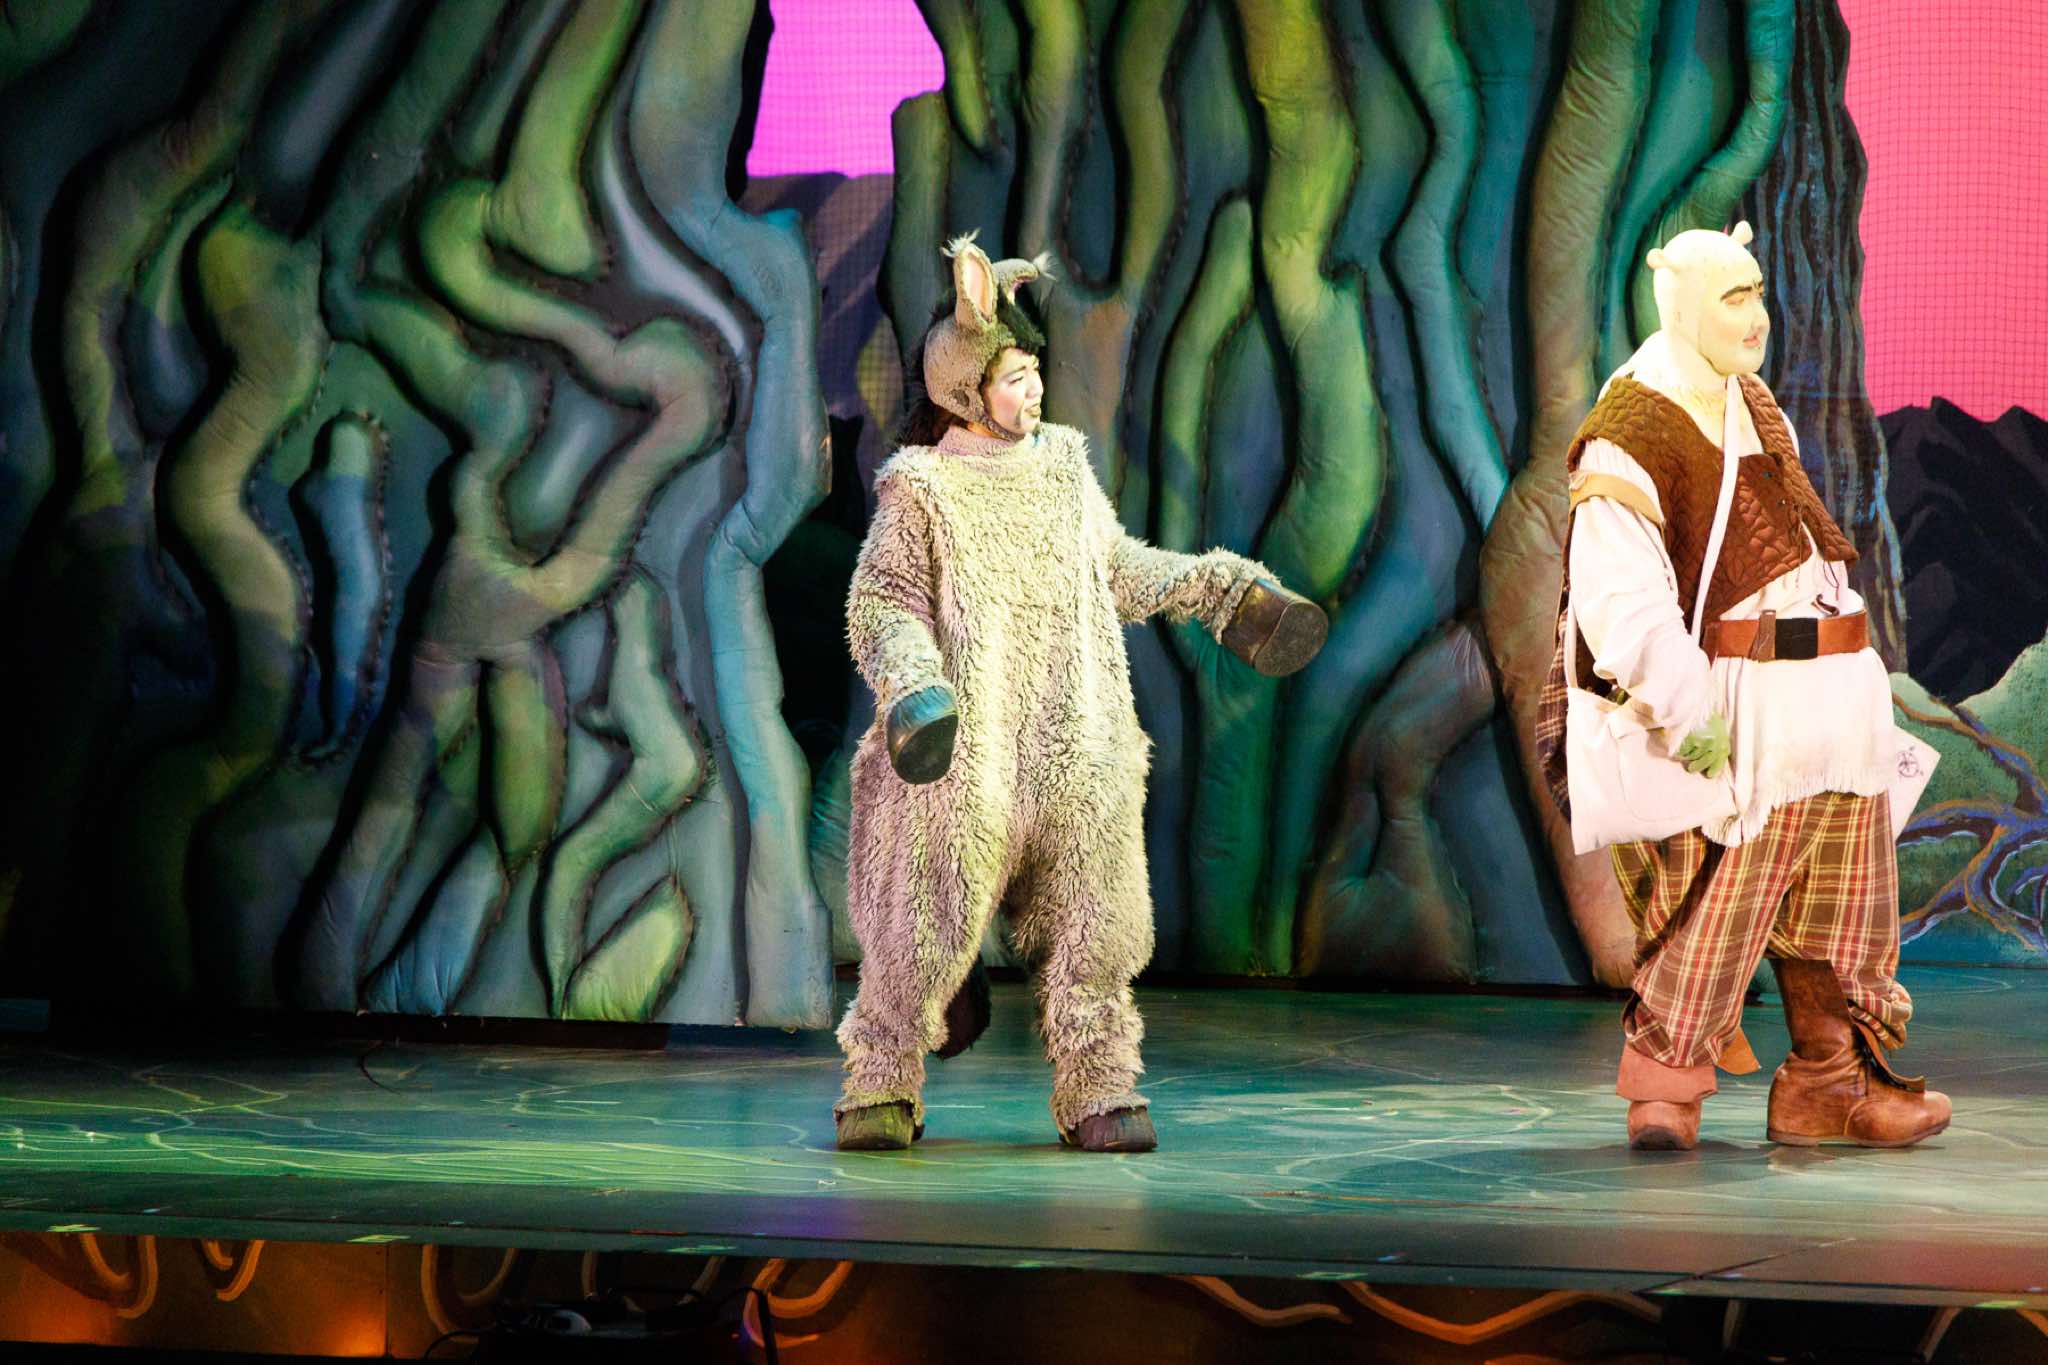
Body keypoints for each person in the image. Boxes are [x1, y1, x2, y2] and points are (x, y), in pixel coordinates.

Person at [832, 234, 1327, 1152]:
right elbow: (883, 601)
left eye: (1034, 375)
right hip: (966, 751)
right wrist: (914, 685)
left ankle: (1099, 1085)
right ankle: (882, 1075)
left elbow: (1113, 567)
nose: (1035, 392)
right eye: (1015, 378)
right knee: (921, 923)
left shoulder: (1062, 467)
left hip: (1075, 731)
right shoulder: (923, 488)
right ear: (964, 390)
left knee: (1096, 917)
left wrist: (1213, 588)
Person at [1550, 221, 1950, 1151]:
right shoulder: (1630, 429)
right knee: (1719, 902)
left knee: (1843, 911)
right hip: (1746, 704)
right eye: (1735, 296)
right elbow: (1620, 600)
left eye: (1759, 292)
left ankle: (1828, 1083)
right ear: (1685, 301)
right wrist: (1691, 716)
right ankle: (1665, 1087)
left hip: (1833, 700)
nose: (1757, 314)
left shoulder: (1751, 399)